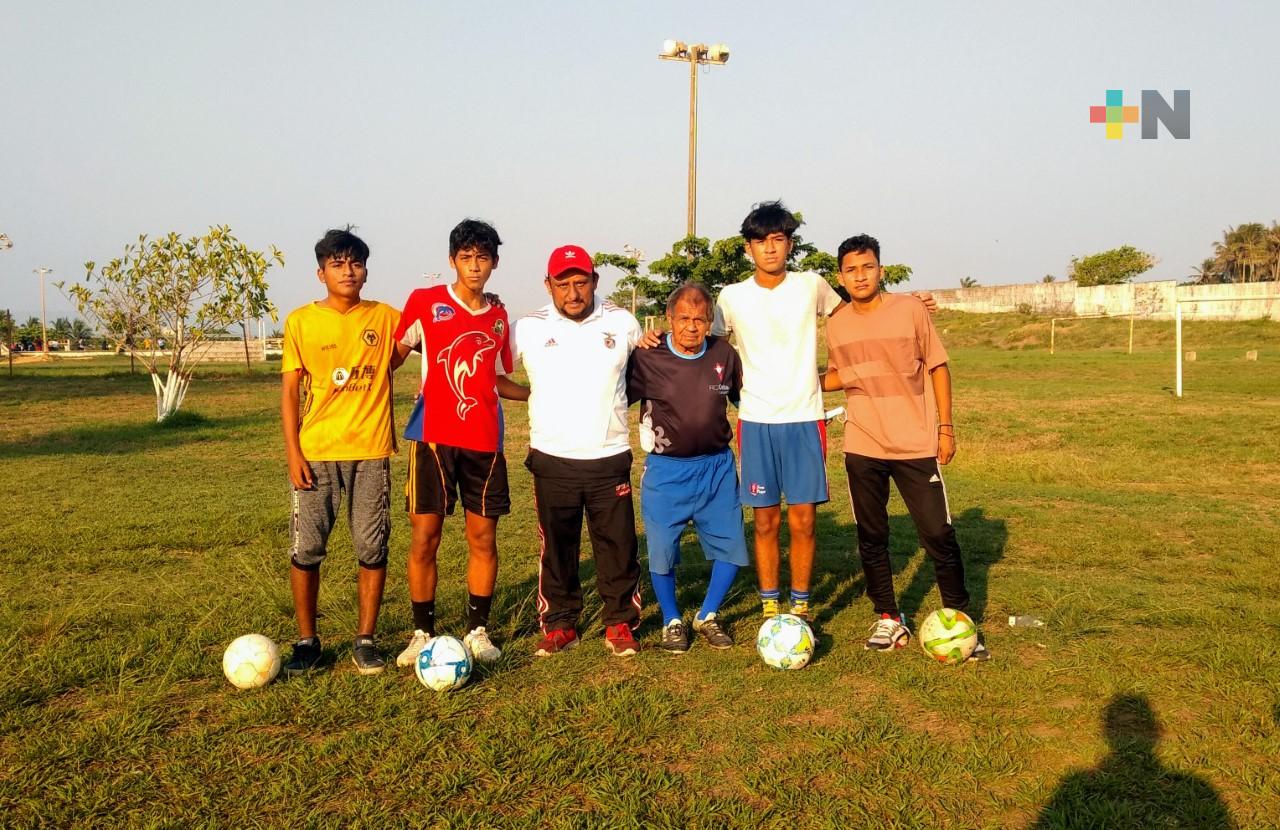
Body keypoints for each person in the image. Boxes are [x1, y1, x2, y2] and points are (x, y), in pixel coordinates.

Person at [822, 234, 987, 659]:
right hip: (863, 442)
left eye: (867, 267)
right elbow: (840, 375)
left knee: (937, 533)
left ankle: (960, 619)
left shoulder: (910, 310)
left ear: (881, 270)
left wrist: (945, 428)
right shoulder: (836, 323)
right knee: (872, 535)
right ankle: (889, 618)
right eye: (851, 270)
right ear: (840, 277)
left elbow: (938, 366)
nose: (860, 276)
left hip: (915, 442)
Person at [392, 219, 529, 668]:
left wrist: (536, 394)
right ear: (452, 261)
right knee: (424, 537)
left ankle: (477, 631)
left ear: (494, 262)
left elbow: (499, 378)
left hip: (484, 442)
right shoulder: (426, 302)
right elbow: (394, 355)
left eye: (482, 257)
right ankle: (421, 633)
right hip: (432, 438)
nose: (474, 265)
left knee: (483, 538)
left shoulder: (498, 316)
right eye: (466, 257)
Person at [709, 201, 844, 623]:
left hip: (805, 419)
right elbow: (708, 347)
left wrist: (904, 304)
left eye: (778, 240)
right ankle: (771, 606)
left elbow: (851, 316)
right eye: (760, 241)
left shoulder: (812, 285)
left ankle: (800, 604)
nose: (770, 249)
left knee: (803, 521)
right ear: (747, 248)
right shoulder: (731, 296)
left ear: (789, 243)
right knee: (765, 523)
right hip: (757, 421)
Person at [280, 227, 402, 676]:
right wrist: (294, 453)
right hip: (316, 452)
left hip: (371, 451)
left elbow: (414, 341)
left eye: (355, 263)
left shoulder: (386, 316)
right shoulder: (301, 322)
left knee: (372, 546)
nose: (347, 271)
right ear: (321, 272)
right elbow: (290, 392)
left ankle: (365, 640)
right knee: (308, 548)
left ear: (366, 270)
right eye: (337, 264)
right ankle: (307, 642)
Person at [514, 245, 644, 658]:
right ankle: (560, 622)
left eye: (581, 282)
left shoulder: (623, 322)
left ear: (594, 282)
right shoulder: (527, 327)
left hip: (609, 454)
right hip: (553, 456)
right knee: (557, 545)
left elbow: (643, 377)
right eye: (563, 284)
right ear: (548, 285)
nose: (573, 292)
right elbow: (493, 372)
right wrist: (532, 396)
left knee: (617, 544)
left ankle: (620, 621)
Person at [626, 282, 747, 652]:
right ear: (669, 319)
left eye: (700, 319)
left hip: (717, 468)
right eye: (683, 318)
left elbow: (748, 401)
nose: (692, 327)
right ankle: (671, 620)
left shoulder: (724, 354)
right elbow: (614, 399)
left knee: (731, 546)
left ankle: (708, 614)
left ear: (710, 321)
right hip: (667, 470)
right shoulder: (647, 357)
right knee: (661, 548)